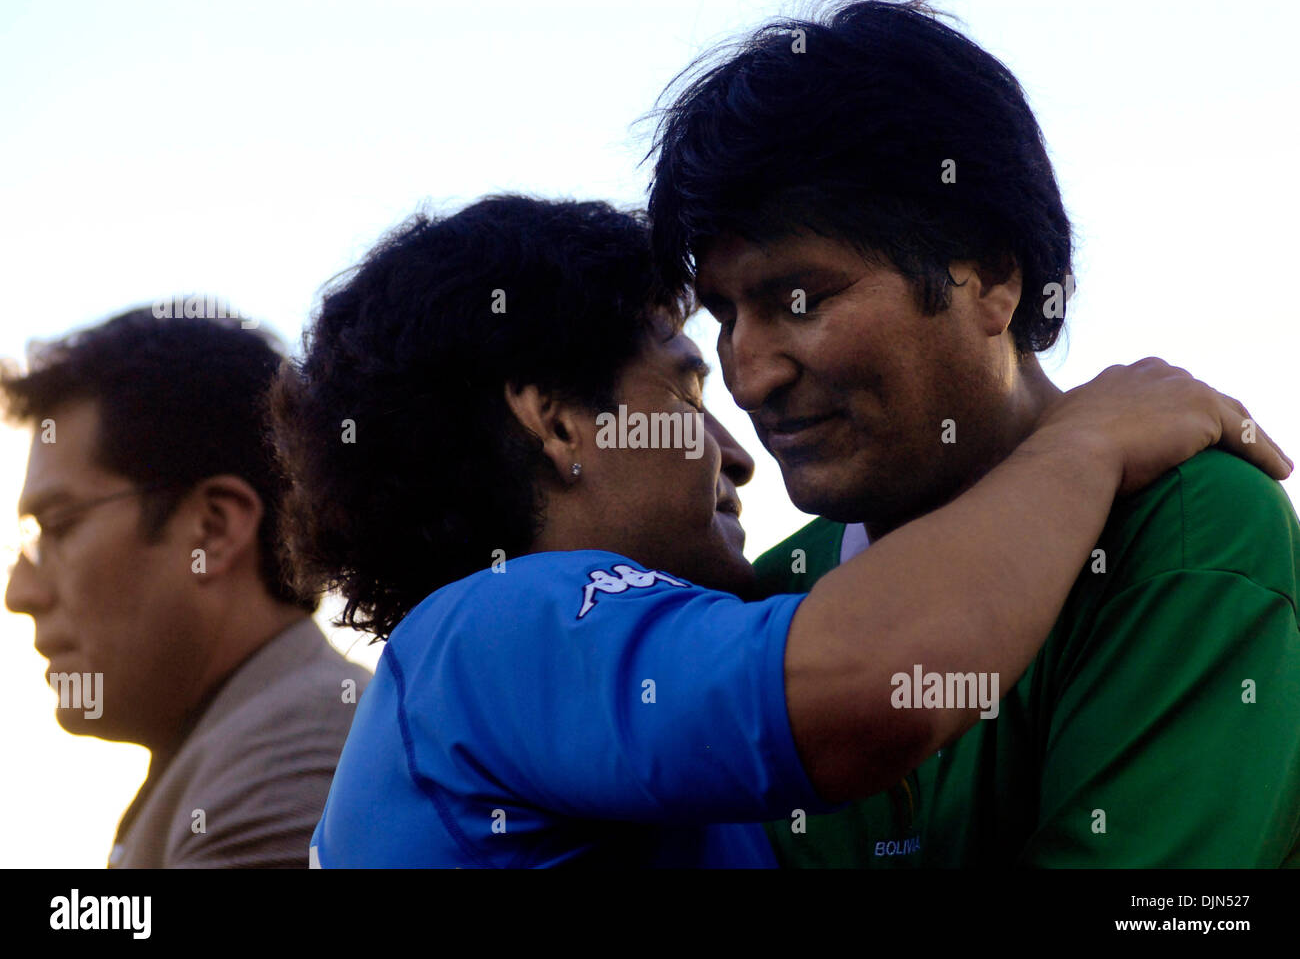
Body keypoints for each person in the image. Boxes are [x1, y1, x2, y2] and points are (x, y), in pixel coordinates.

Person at [268, 194, 1287, 867]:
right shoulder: (490, 629)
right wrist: (1084, 443)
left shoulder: (543, 693)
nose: (738, 443)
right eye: (685, 385)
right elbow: (874, 685)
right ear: (560, 420)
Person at [646, 0, 1300, 866]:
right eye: (724, 314)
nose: (746, 372)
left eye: (798, 300)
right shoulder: (762, 606)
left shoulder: (1188, 529)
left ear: (991, 275)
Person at [2, 308, 371, 868]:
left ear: (213, 530)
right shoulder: (232, 745)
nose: (20, 592)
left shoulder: (293, 753)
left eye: (59, 526)